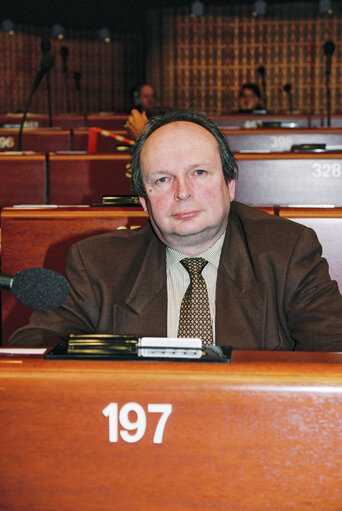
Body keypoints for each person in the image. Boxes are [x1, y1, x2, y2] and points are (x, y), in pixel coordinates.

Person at [9, 110, 342, 350]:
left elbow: (332, 356)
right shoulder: (96, 264)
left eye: (199, 172)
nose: (182, 192)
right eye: (163, 179)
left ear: (230, 185)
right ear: (143, 201)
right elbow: (33, 350)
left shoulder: (287, 250)